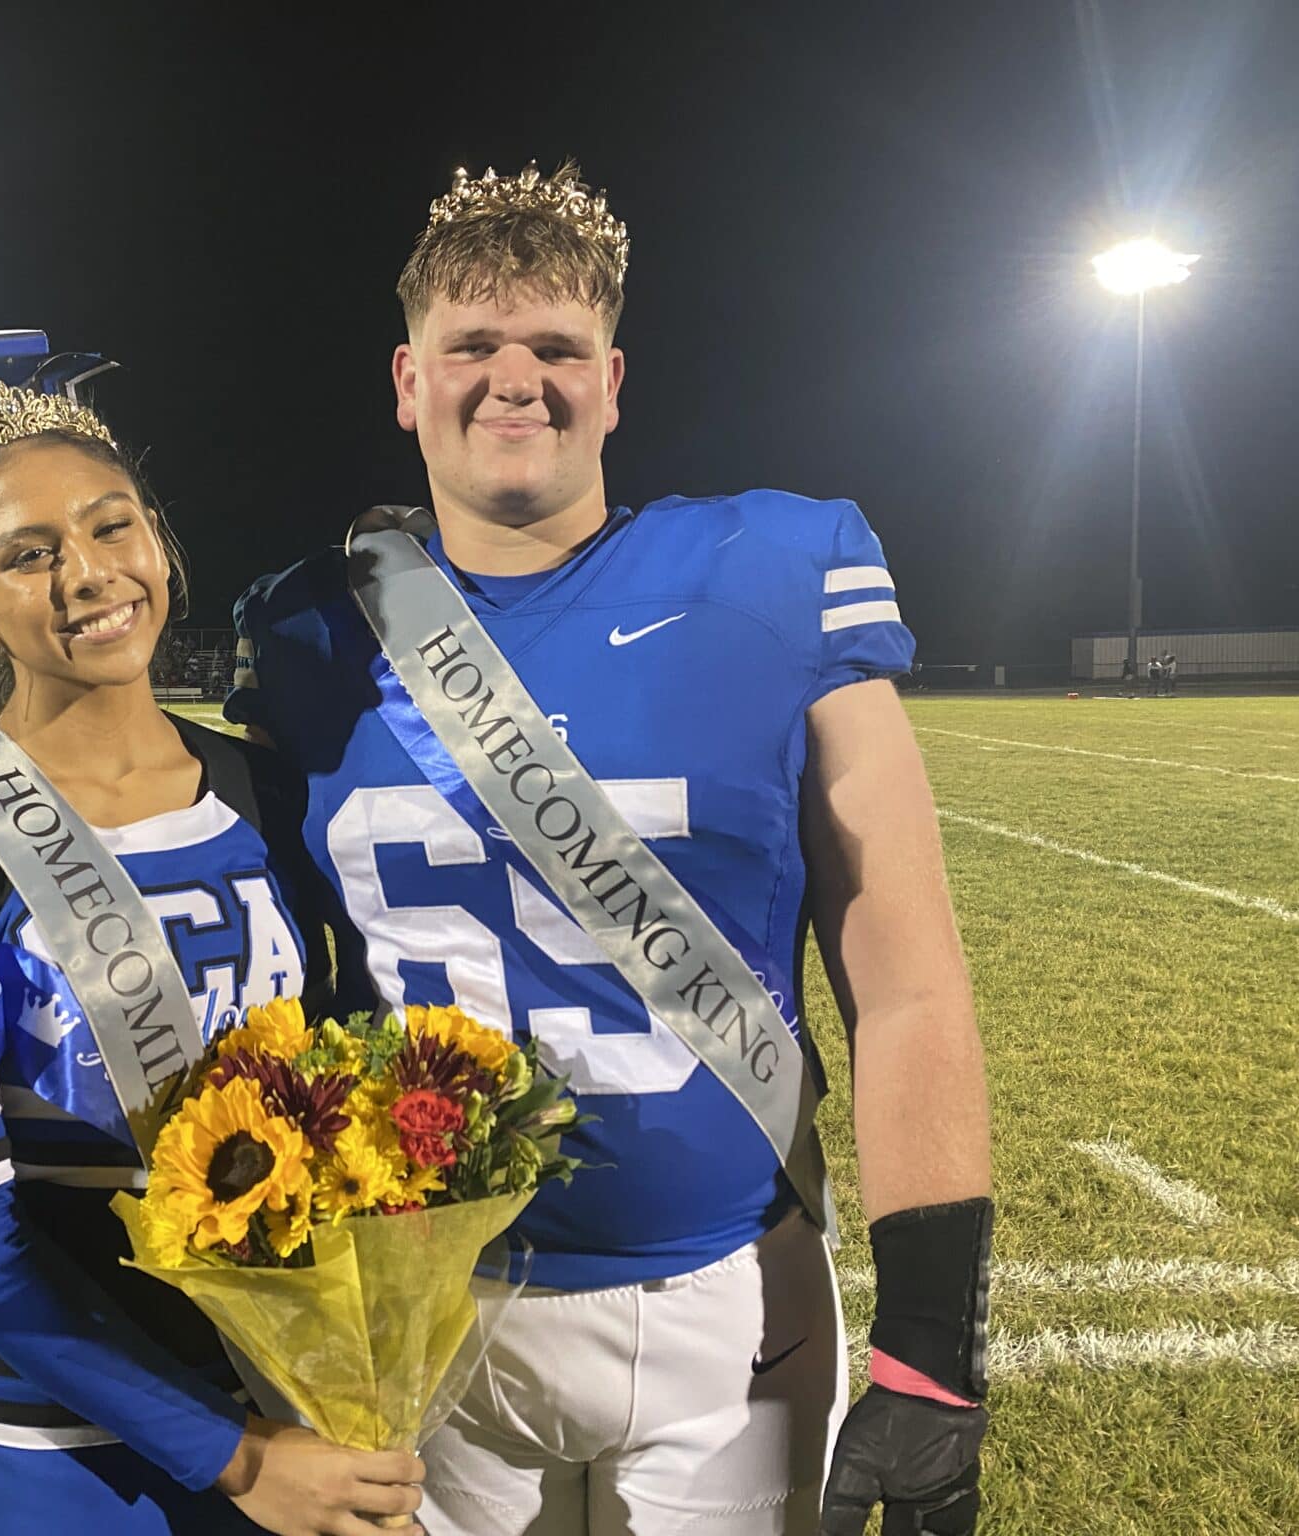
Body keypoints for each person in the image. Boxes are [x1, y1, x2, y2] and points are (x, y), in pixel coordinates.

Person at [227, 164, 993, 1535]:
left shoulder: (772, 570)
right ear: (409, 381)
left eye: (556, 349)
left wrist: (933, 1338)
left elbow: (910, 978)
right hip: (417, 1298)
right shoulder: (309, 634)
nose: (514, 377)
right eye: (473, 345)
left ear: (613, 381)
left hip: (727, 1300)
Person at [0, 357, 425, 1535]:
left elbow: (344, 1081)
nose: (85, 576)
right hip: (55, 1453)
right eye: (28, 554)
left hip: (298, 1406)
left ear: (159, 545)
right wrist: (230, 1459)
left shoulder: (267, 790)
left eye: (109, 527)